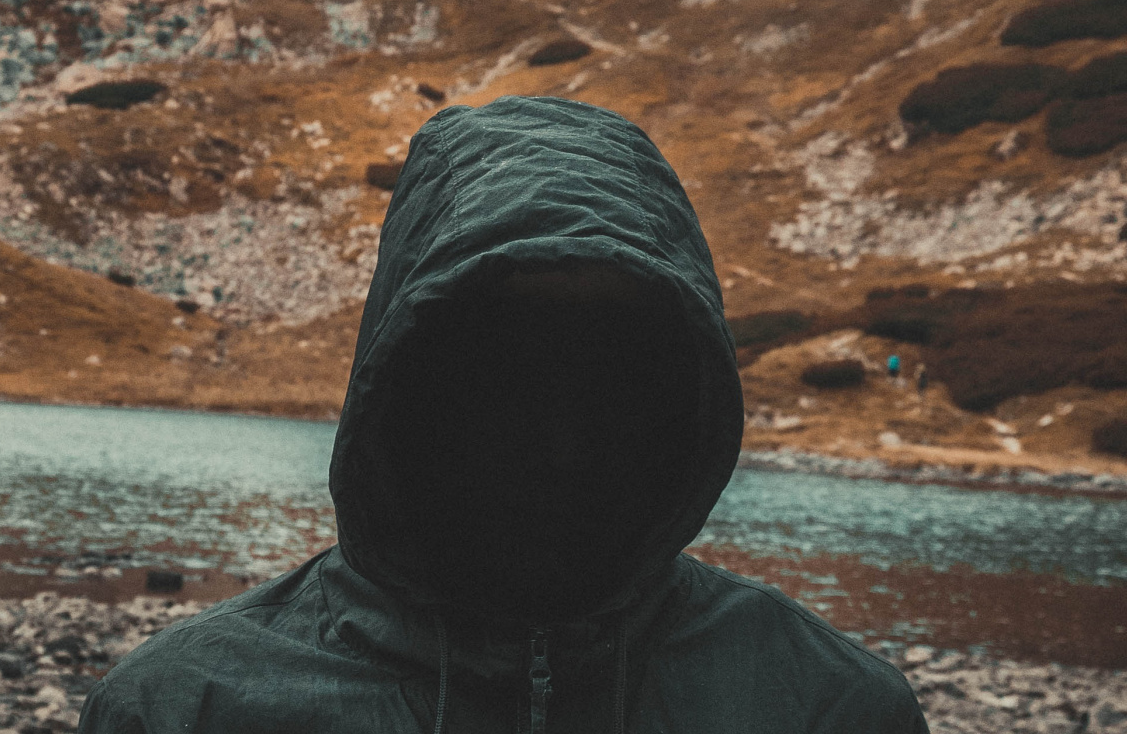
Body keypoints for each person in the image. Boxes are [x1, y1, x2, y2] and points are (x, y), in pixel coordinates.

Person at [78, 96, 926, 733]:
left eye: (612, 354)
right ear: (401, 370)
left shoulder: (828, 708)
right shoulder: (184, 710)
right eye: (496, 349)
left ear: (681, 385)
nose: (557, 426)